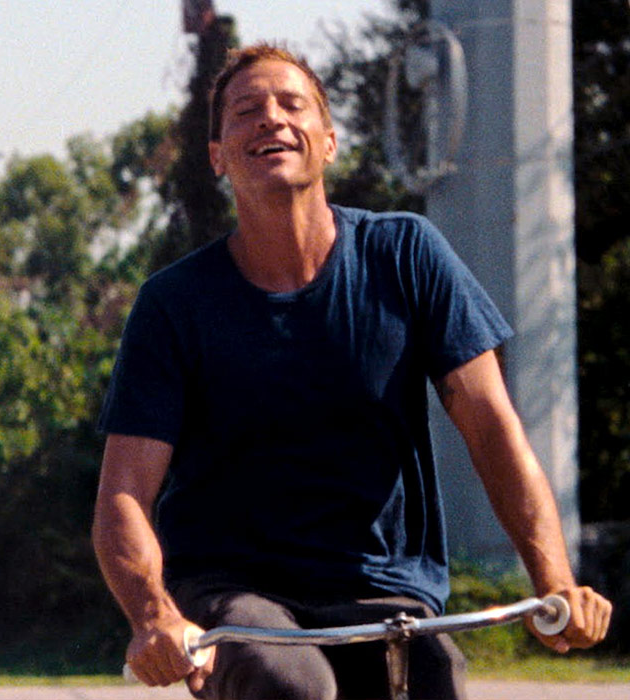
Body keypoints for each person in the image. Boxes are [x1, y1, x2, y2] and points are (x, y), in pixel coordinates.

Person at [92, 42, 612, 700]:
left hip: (384, 586)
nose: (272, 118)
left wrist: (554, 581)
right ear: (218, 156)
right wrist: (154, 617)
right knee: (292, 684)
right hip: (236, 592)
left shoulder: (407, 255)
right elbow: (124, 495)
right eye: (247, 111)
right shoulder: (175, 304)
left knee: (433, 680)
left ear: (330, 141)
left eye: (292, 104)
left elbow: (492, 429)